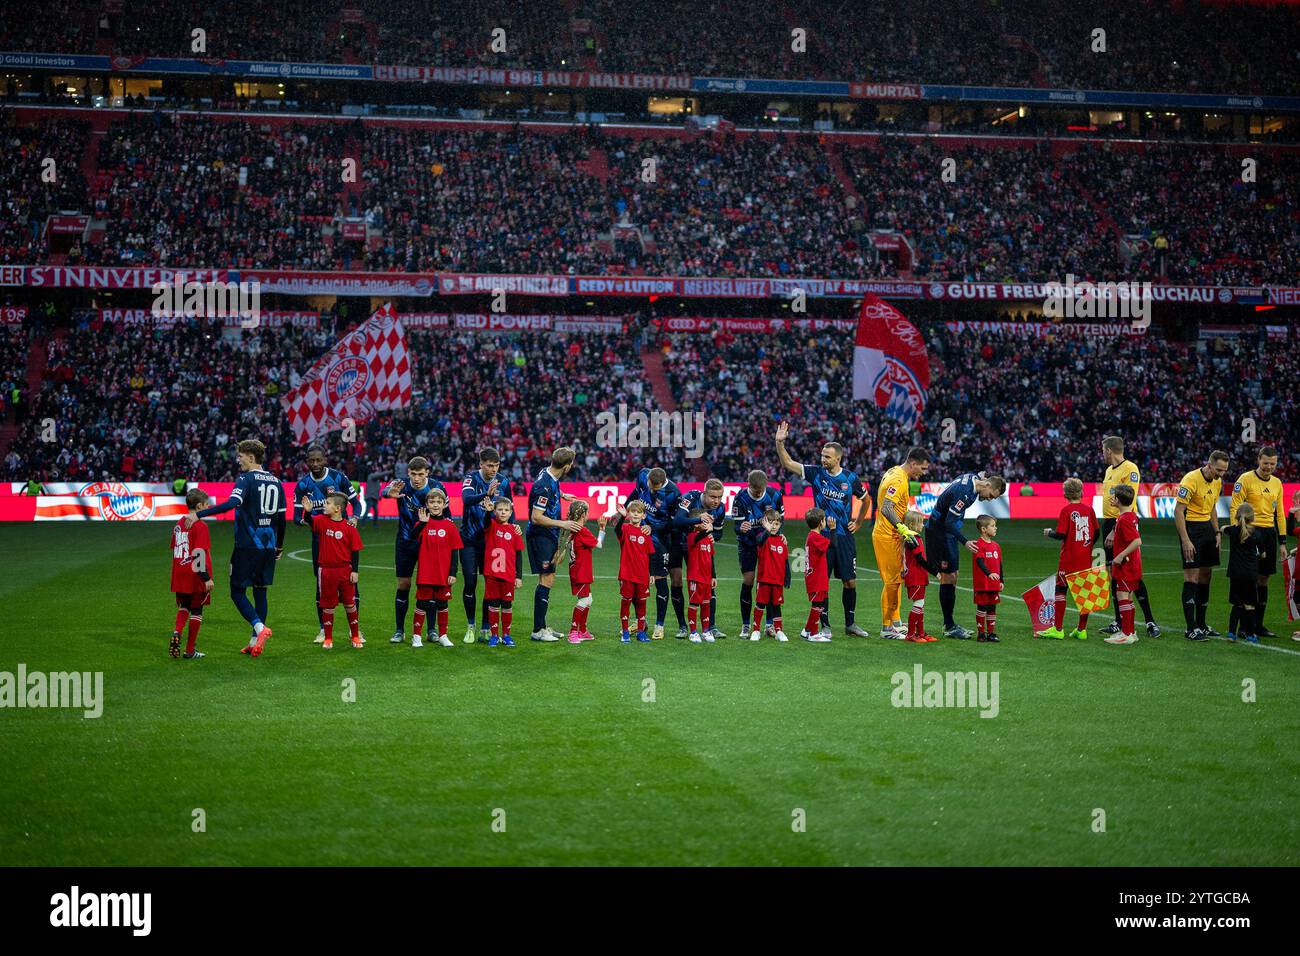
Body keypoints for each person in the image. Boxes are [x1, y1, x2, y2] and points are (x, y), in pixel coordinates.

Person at [776, 421, 871, 637]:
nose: (823, 459)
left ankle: (850, 624)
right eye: (822, 455)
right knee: (822, 584)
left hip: (844, 537)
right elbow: (788, 462)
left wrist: (858, 522)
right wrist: (779, 443)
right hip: (823, 537)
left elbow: (866, 500)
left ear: (838, 458)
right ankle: (825, 626)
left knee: (850, 581)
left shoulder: (850, 478)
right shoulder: (816, 473)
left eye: (827, 456)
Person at [197, 439, 286, 657]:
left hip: (247, 545)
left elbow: (231, 503)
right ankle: (255, 641)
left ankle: (259, 628)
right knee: (260, 591)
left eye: (240, 456)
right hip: (268, 546)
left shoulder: (246, 479)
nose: (238, 460)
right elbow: (282, 519)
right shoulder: (276, 482)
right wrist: (279, 546)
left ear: (251, 457)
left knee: (237, 591)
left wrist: (198, 514)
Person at [922, 470, 1008, 638]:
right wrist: (965, 542)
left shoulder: (974, 480)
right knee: (948, 577)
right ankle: (949, 626)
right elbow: (949, 523)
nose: (989, 499)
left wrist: (984, 476)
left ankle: (950, 624)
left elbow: (979, 474)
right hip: (940, 532)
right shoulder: (964, 493)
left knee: (954, 576)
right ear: (987, 485)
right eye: (991, 495)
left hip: (948, 532)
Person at [296, 446, 362, 644]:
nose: (315, 464)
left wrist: (355, 517)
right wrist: (313, 521)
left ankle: (355, 631)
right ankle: (323, 630)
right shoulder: (303, 485)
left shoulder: (338, 477)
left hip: (342, 539)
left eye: (318, 460)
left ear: (325, 459)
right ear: (307, 461)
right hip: (320, 541)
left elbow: (356, 504)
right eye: (311, 461)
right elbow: (295, 518)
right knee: (321, 586)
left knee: (352, 583)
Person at [1099, 436, 1159, 638]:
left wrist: (1115, 529)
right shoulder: (1109, 471)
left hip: (1121, 524)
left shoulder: (1130, 469)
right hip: (1109, 522)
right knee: (1115, 574)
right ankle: (1119, 621)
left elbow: (1128, 501)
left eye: (1103, 451)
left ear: (1109, 451)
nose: (1102, 454)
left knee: (1132, 575)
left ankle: (1150, 621)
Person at [872, 447, 932, 639]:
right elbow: (886, 508)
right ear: (913, 463)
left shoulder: (895, 472)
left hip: (891, 535)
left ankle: (896, 622)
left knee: (896, 580)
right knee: (891, 582)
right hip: (887, 535)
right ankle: (886, 628)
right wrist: (902, 527)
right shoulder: (898, 480)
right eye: (921, 468)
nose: (922, 473)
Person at [385, 456, 445, 645]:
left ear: (427, 473)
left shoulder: (436, 487)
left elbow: (447, 514)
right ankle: (399, 630)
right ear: (408, 473)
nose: (417, 478)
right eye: (413, 474)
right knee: (403, 584)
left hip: (429, 544)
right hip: (405, 541)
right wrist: (389, 494)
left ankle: (432, 630)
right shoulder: (401, 485)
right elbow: (385, 490)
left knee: (431, 586)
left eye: (420, 474)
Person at [1228, 446, 1286, 638]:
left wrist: (1283, 541)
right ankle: (1245, 627)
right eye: (1265, 463)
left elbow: (1280, 514)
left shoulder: (1277, 483)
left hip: (1268, 534)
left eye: (1272, 464)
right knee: (1249, 579)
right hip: (1250, 531)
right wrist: (1237, 531)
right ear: (1258, 460)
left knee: (1264, 579)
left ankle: (1258, 625)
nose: (1269, 467)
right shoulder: (1245, 479)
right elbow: (1235, 505)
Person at [525, 446, 580, 642]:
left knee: (548, 578)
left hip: (548, 535)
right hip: (541, 536)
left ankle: (542, 626)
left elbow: (551, 488)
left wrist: (562, 495)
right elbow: (536, 517)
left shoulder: (548, 474)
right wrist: (562, 523)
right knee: (546, 578)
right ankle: (538, 630)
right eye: (571, 464)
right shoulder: (544, 487)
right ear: (566, 466)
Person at [1175, 450, 1230, 641]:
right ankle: (1190, 628)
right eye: (1219, 470)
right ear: (1209, 464)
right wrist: (1185, 540)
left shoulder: (1217, 481)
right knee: (1192, 576)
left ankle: (1201, 624)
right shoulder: (1190, 479)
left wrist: (1216, 533)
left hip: (1207, 527)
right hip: (1191, 528)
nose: (1221, 474)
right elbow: (1178, 511)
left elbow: (1213, 508)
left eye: (1224, 471)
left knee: (1206, 575)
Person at [1035, 477, 1098, 641]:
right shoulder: (1089, 510)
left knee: (1061, 590)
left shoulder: (1066, 511)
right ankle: (1082, 630)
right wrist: (1087, 546)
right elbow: (1096, 532)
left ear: (1065, 494)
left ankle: (1058, 629)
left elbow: (1061, 534)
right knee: (1084, 594)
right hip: (1085, 558)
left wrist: (1049, 533)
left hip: (1069, 558)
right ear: (1081, 492)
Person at [460, 448, 513, 643]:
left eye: (496, 465)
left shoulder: (503, 481)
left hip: (491, 542)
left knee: (490, 586)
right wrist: (486, 494)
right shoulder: (471, 478)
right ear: (481, 464)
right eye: (489, 465)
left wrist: (512, 527)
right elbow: (466, 500)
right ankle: (470, 626)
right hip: (468, 539)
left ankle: (485, 628)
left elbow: (510, 507)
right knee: (470, 583)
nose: (493, 469)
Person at [631, 466, 684, 639]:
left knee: (660, 582)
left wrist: (652, 527)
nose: (651, 489)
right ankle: (641, 621)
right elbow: (634, 493)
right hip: (639, 536)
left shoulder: (673, 493)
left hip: (660, 541)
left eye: (655, 487)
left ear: (662, 483)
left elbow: (673, 523)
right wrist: (623, 510)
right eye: (649, 485)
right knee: (634, 581)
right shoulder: (643, 475)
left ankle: (659, 625)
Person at [672, 478, 729, 639]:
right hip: (679, 541)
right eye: (712, 497)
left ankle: (710, 627)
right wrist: (700, 520)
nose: (716, 501)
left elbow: (718, 533)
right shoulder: (690, 498)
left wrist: (711, 534)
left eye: (719, 497)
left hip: (700, 547)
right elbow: (678, 520)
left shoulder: (720, 509)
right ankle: (683, 626)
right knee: (676, 581)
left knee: (708, 584)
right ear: (704, 493)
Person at [733, 469, 784, 638]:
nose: (759, 493)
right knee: (748, 580)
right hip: (748, 544)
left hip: (768, 544)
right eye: (756, 491)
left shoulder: (774, 496)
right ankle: (746, 624)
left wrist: (777, 535)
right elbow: (736, 527)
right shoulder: (740, 497)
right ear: (748, 486)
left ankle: (769, 624)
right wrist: (740, 528)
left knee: (769, 581)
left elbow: (780, 522)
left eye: (761, 491)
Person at [413, 488, 461, 649]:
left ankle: (443, 635)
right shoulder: (422, 523)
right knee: (422, 603)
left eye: (438, 502)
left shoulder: (450, 525)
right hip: (426, 572)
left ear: (444, 504)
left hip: (443, 573)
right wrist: (422, 524)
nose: (435, 505)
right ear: (426, 504)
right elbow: (412, 538)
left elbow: (455, 551)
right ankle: (416, 636)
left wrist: (453, 573)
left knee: (442, 604)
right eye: (432, 502)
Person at [169, 488, 213, 659]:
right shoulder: (201, 526)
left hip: (179, 572)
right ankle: (189, 650)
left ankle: (176, 631)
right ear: (200, 506)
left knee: (184, 606)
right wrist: (206, 578)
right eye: (207, 505)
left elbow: (175, 548)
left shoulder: (179, 523)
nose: (209, 507)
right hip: (195, 574)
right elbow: (199, 554)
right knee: (197, 610)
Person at [557, 499, 606, 644]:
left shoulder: (574, 529)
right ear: (584, 514)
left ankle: (582, 630)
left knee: (588, 599)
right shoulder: (582, 530)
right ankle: (573, 632)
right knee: (584, 600)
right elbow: (599, 544)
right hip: (581, 572)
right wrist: (602, 529)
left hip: (578, 570)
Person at [483, 498, 525, 647]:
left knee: (507, 605)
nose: (503, 512)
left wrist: (518, 576)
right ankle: (494, 636)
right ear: (495, 511)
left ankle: (506, 635)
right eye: (500, 509)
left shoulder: (514, 530)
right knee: (493, 605)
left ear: (511, 512)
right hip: (492, 574)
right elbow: (486, 522)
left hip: (508, 575)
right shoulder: (491, 525)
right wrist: (488, 513)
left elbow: (519, 555)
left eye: (506, 510)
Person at [1105, 484, 1144, 646]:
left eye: (1114, 497)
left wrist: (1120, 556)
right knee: (1127, 597)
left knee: (1122, 597)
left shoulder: (1124, 520)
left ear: (1119, 501)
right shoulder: (1132, 516)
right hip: (1134, 564)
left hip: (1126, 566)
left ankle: (1127, 634)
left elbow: (1137, 541)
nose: (1111, 499)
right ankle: (1130, 631)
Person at [614, 499, 655, 644]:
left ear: (644, 515)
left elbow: (650, 555)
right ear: (629, 514)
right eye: (633, 512)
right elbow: (616, 530)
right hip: (627, 574)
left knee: (642, 604)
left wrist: (651, 574)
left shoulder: (646, 533)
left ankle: (641, 632)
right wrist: (622, 517)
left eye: (639, 512)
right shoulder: (625, 528)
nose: (636, 514)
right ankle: (625, 632)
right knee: (626, 602)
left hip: (643, 575)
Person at [1225, 503, 1266, 644]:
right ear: (1252, 517)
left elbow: (1223, 528)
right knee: (1250, 605)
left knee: (1237, 604)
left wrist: (1225, 527)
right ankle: (1251, 634)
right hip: (1250, 573)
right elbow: (1263, 554)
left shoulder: (1233, 531)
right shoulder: (1257, 534)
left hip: (1235, 572)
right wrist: (1257, 557)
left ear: (1237, 516)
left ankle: (1231, 633)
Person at [750, 509, 789, 642]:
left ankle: (779, 631)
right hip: (764, 579)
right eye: (770, 523)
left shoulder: (782, 540)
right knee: (760, 604)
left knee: (776, 606)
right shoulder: (762, 538)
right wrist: (766, 530)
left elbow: (785, 560)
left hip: (777, 581)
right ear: (764, 523)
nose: (774, 526)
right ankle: (755, 630)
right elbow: (760, 540)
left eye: (777, 523)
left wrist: (787, 576)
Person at [900, 510, 936, 643]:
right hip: (916, 576)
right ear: (912, 524)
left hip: (918, 575)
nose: (923, 525)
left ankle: (920, 633)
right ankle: (910, 634)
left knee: (921, 604)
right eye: (920, 522)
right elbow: (920, 559)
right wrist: (935, 572)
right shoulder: (912, 539)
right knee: (918, 603)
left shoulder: (912, 538)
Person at [685, 510, 717, 644]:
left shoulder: (708, 539)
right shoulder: (692, 536)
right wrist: (707, 531)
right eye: (704, 521)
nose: (707, 523)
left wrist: (713, 576)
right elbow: (698, 538)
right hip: (695, 577)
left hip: (706, 578)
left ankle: (705, 631)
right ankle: (693, 632)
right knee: (694, 604)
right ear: (696, 523)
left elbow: (711, 558)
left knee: (706, 604)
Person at [801, 509, 833, 643]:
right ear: (821, 523)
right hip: (816, 577)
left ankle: (807, 630)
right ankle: (813, 633)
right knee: (818, 604)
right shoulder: (815, 537)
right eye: (825, 519)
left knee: (820, 603)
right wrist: (833, 530)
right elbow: (833, 544)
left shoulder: (811, 536)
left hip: (816, 576)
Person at [971, 515, 1003, 643]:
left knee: (992, 607)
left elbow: (1000, 564)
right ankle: (981, 633)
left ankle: (991, 633)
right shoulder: (978, 544)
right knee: (982, 607)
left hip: (994, 584)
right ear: (984, 529)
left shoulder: (996, 546)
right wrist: (989, 574)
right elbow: (979, 561)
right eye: (993, 526)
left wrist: (1002, 581)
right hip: (982, 583)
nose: (996, 528)